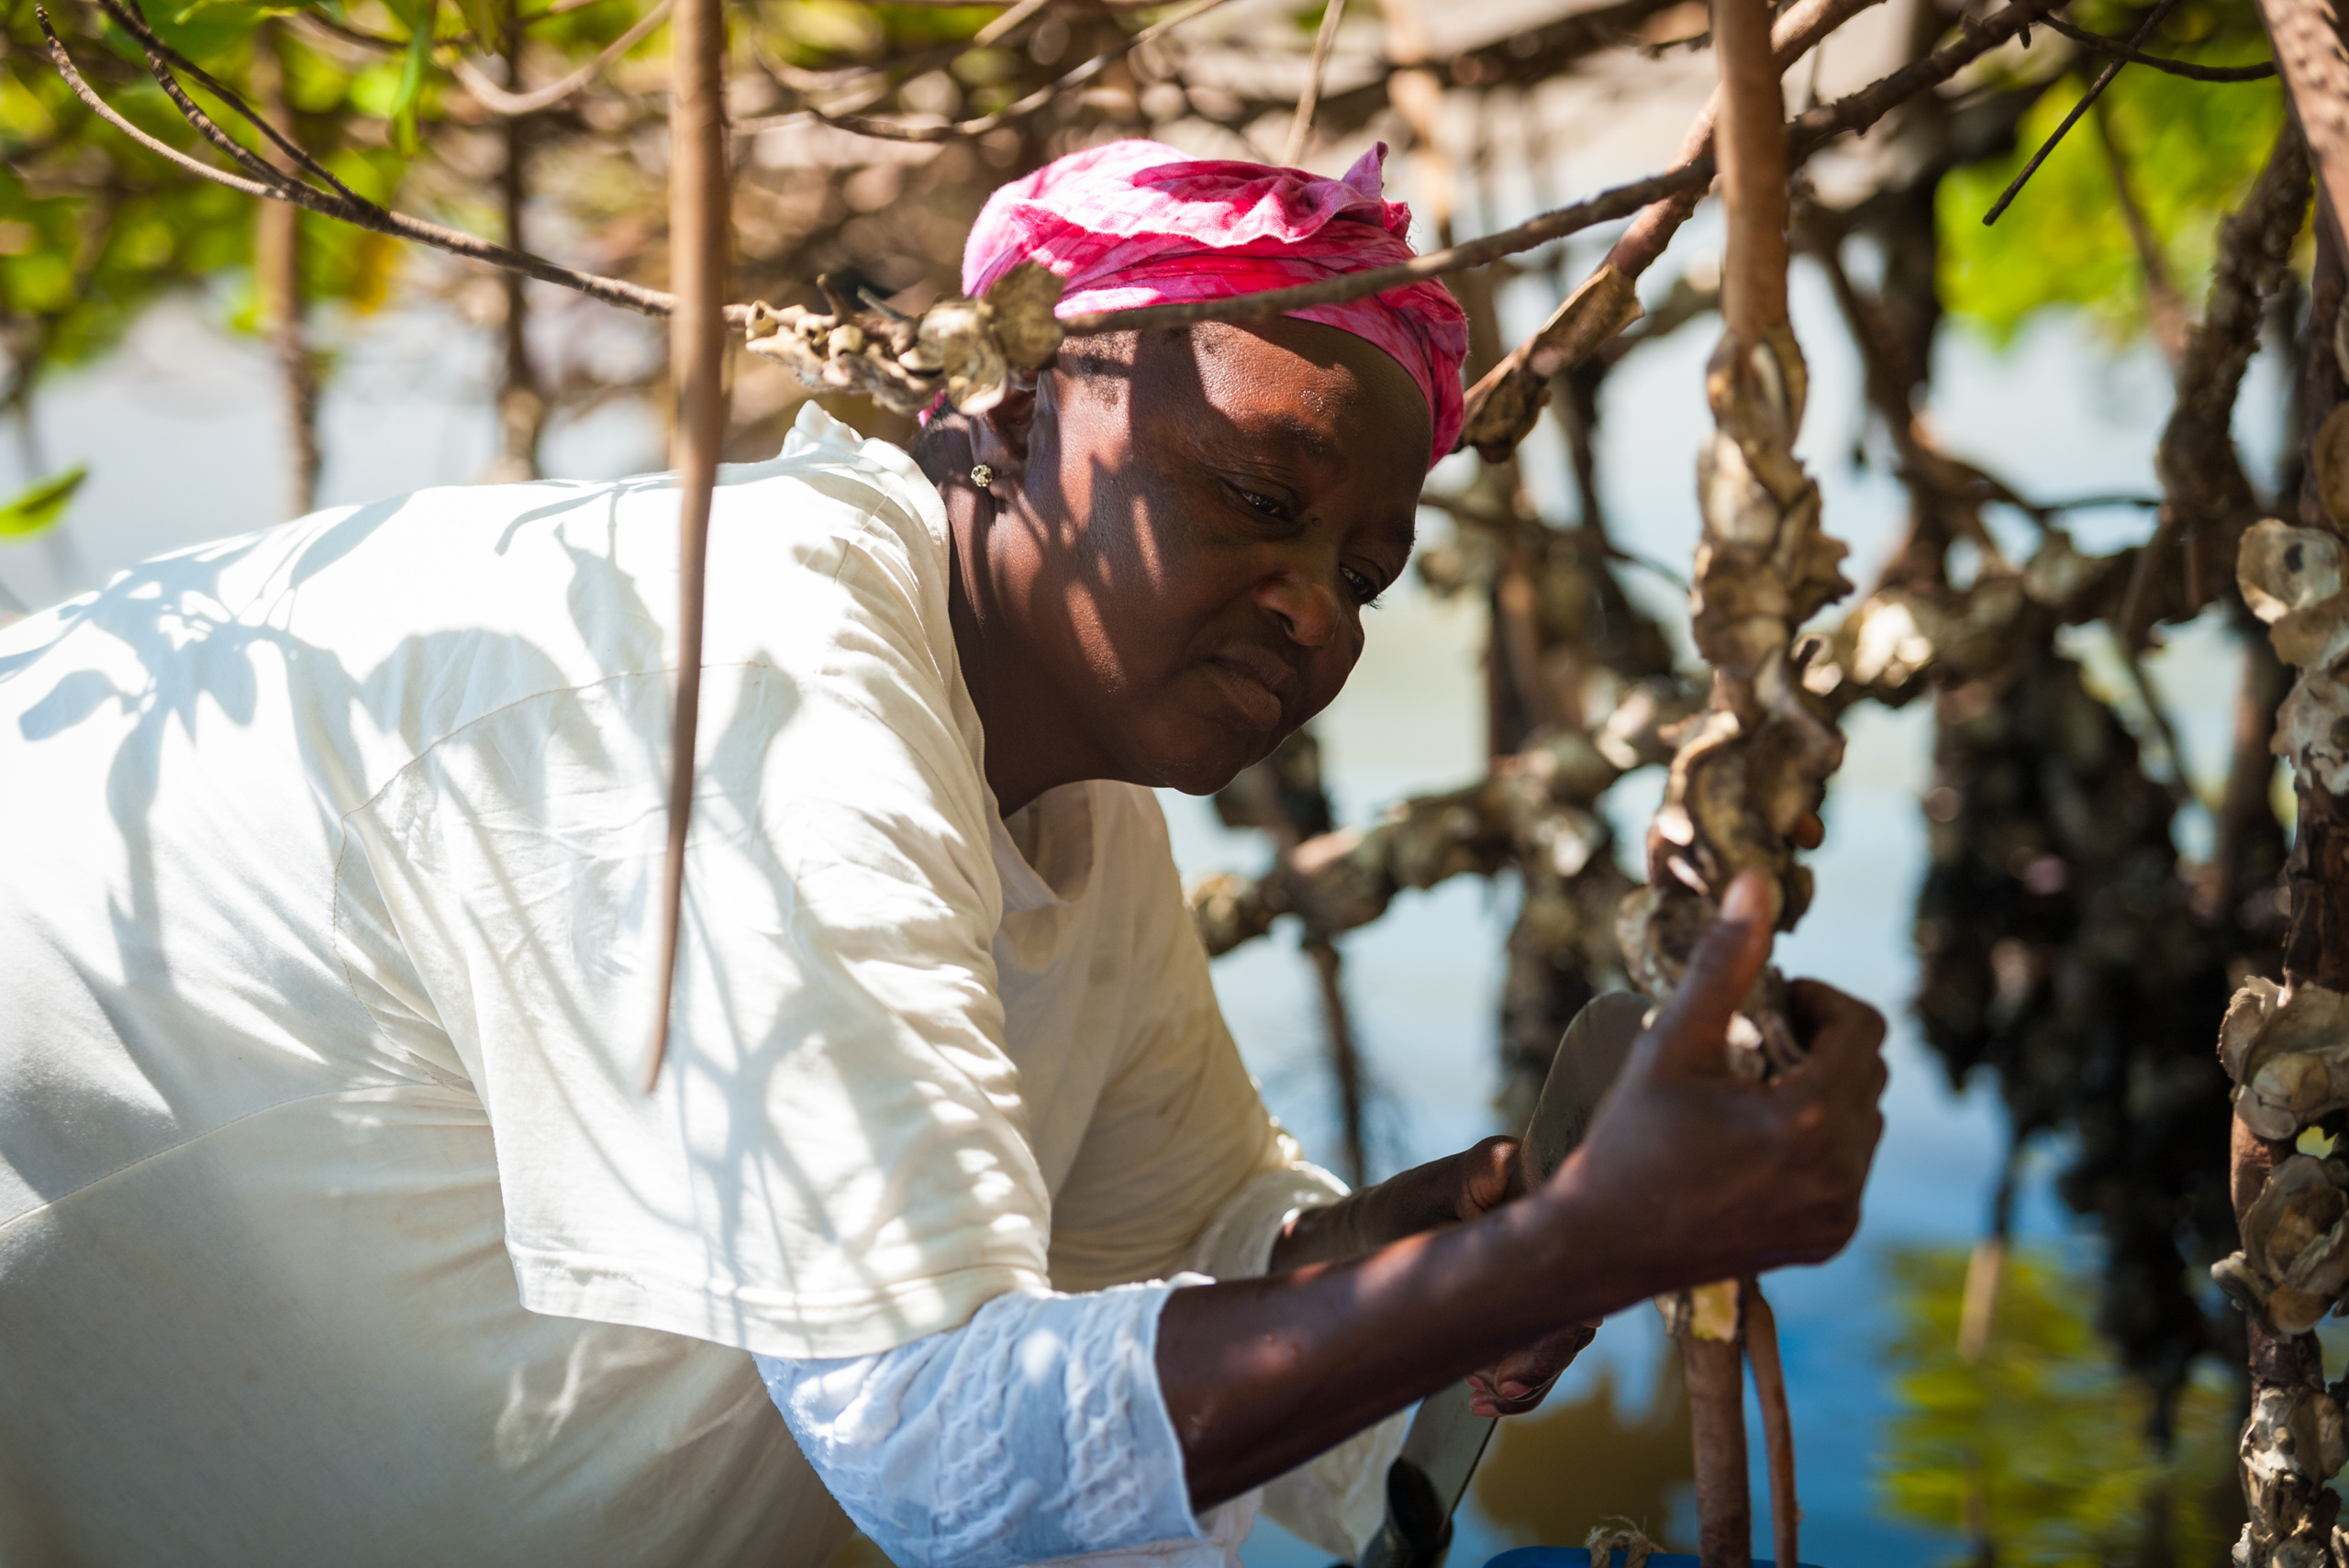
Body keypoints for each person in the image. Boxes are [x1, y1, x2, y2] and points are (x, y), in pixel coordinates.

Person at [0, 140, 1885, 1567]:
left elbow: (1205, 1252)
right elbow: (946, 1448)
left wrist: (1527, 1200)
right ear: (987, 410)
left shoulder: (1054, 770)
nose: (1312, 615)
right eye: (1251, 499)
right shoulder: (753, 682)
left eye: (1365, 570)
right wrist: (1581, 1238)